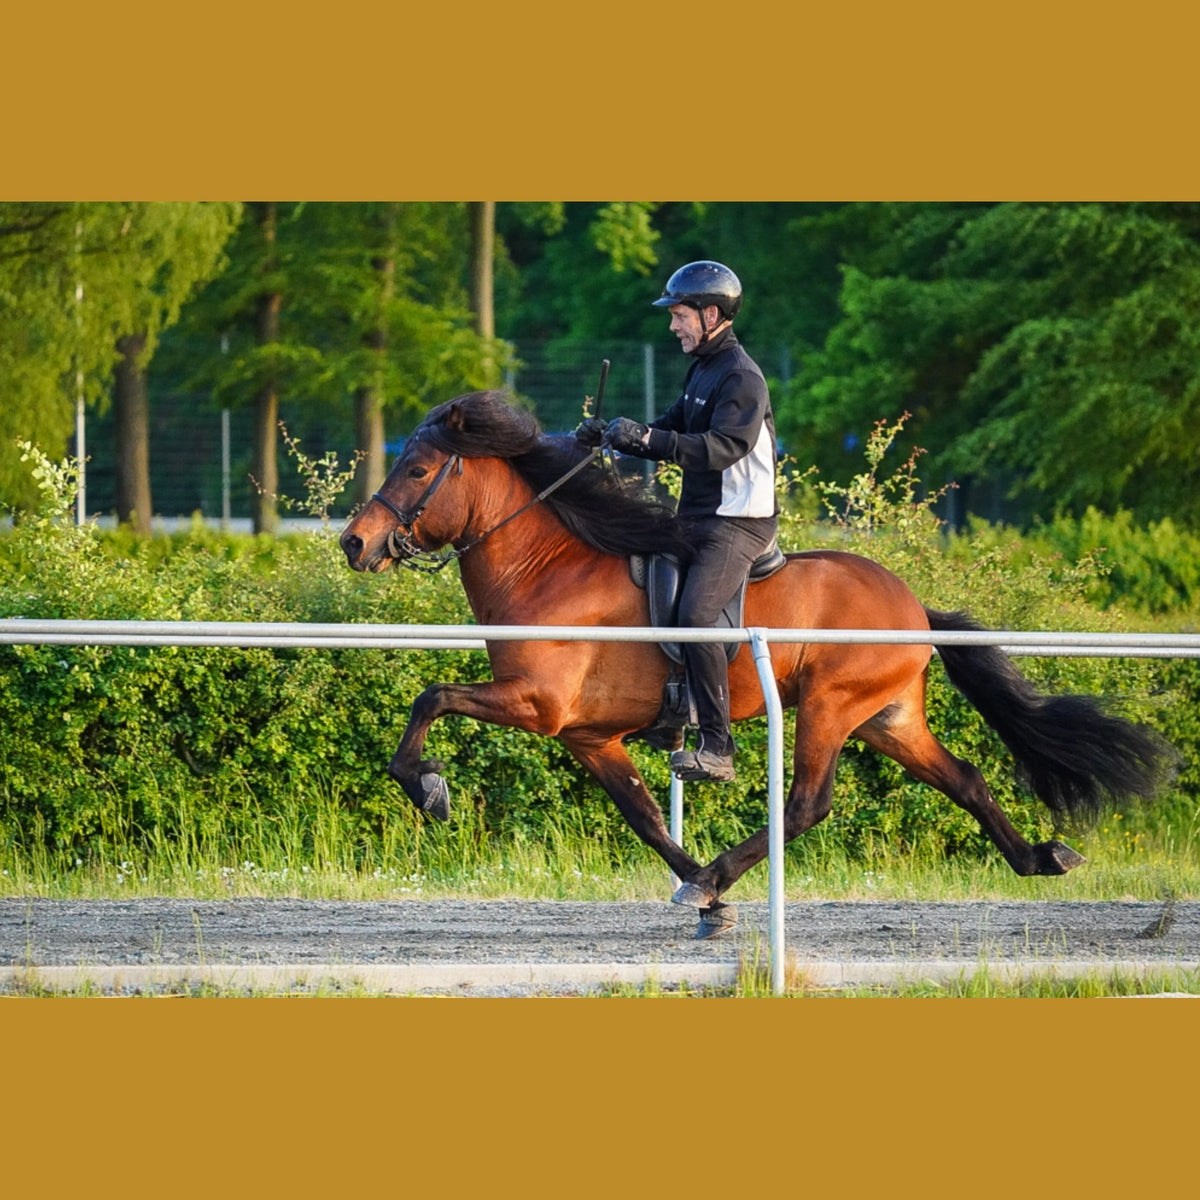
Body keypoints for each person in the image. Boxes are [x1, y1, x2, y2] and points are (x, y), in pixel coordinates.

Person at [576, 260, 778, 783]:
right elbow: (671, 425)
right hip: (699, 517)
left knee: (695, 616)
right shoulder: (704, 366)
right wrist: (615, 435)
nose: (673, 325)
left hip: (739, 523)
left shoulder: (741, 377)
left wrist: (650, 442)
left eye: (680, 315)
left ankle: (718, 747)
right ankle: (672, 715)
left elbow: (721, 449)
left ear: (711, 314)